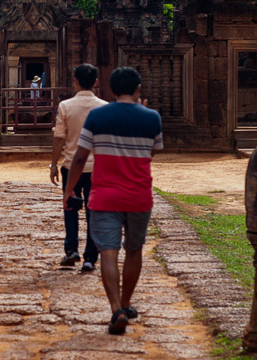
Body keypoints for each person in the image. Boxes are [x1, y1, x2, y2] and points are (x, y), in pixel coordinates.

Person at [63, 66, 163, 335]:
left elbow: (81, 157)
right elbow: (151, 152)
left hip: (105, 193)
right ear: (138, 88)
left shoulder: (98, 115)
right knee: (134, 250)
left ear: (111, 89)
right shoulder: (153, 118)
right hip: (139, 194)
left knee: (108, 251)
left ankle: (116, 308)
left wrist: (69, 190)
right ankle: (127, 302)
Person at [50, 63, 107, 272]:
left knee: (70, 207)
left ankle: (71, 250)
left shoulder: (65, 106)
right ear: (96, 82)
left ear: (75, 82)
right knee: (94, 212)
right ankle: (90, 257)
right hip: (97, 167)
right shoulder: (104, 107)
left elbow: (59, 138)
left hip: (70, 165)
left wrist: (53, 164)